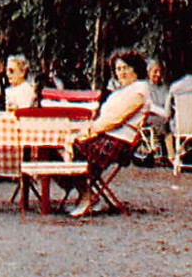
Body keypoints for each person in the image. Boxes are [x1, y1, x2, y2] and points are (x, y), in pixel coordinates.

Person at [56, 49, 153, 216]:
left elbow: (116, 119)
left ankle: (86, 197)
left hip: (118, 141)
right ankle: (89, 195)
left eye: (125, 68)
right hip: (105, 135)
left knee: (76, 147)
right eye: (118, 69)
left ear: (135, 69)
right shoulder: (120, 91)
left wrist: (88, 131)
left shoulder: (139, 90)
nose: (121, 73)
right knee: (56, 148)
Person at [140, 57, 172, 166]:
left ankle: (179, 153)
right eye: (155, 71)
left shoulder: (164, 88)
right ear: (148, 72)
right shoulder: (144, 86)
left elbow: (168, 104)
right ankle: (172, 156)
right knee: (164, 123)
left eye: (160, 72)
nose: (158, 74)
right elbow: (148, 106)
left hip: (163, 116)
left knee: (173, 121)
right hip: (148, 116)